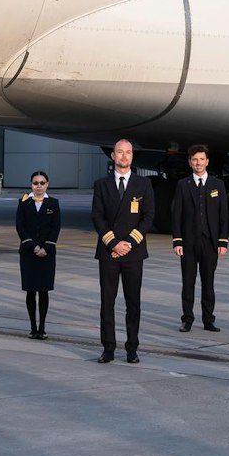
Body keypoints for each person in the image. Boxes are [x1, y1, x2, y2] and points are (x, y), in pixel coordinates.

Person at [90, 140, 150, 363]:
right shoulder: (101, 184)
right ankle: (108, 348)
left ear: (132, 156)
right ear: (113, 156)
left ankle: (132, 348)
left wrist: (128, 244)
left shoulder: (143, 184)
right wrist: (113, 243)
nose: (124, 156)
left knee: (133, 303)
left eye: (128, 152)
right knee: (108, 302)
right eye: (120, 152)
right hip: (108, 253)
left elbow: (147, 217)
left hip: (134, 253)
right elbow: (97, 216)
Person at [172, 145, 228, 333]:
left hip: (210, 242)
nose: (198, 163)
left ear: (207, 161)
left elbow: (223, 215)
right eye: (194, 159)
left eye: (201, 159)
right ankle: (187, 319)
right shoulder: (182, 185)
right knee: (187, 282)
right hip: (188, 242)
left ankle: (208, 319)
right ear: (190, 162)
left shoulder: (217, 185)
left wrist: (222, 241)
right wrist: (177, 241)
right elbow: (176, 214)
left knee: (208, 282)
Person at [17, 171, 60, 338]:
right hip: (29, 253)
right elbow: (20, 226)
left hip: (47, 253)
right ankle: (32, 328)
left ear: (47, 184)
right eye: (36, 183)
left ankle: (42, 328)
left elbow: (56, 227)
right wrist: (33, 247)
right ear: (31, 185)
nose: (39, 186)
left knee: (43, 291)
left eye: (42, 183)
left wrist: (46, 248)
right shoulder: (24, 203)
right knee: (30, 291)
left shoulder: (53, 203)